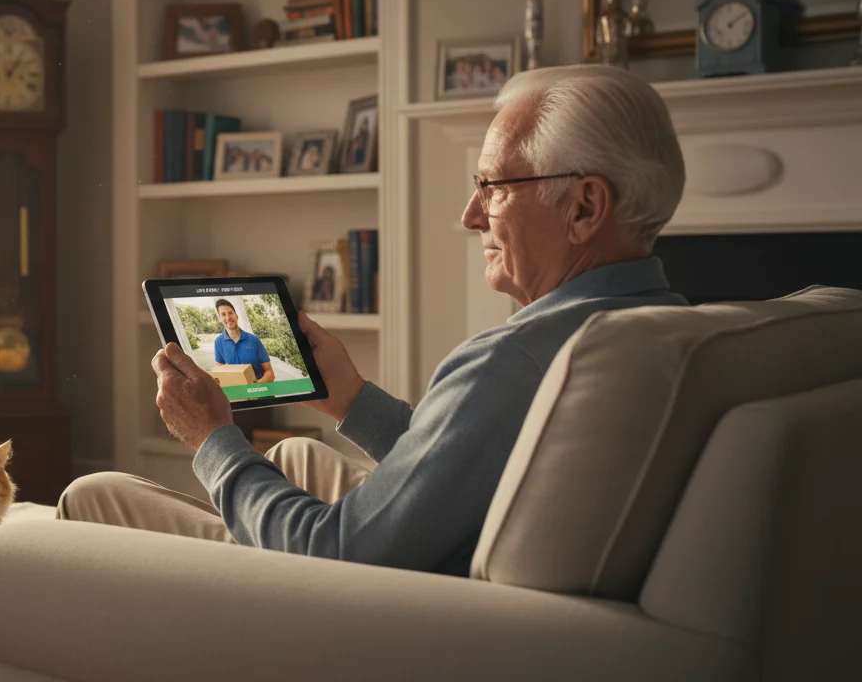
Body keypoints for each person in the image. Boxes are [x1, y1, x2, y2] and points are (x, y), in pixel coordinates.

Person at [59, 64, 687, 576]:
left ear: (585, 206)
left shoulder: (517, 358)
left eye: (494, 187)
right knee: (300, 454)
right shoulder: (671, 326)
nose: (471, 216)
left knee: (93, 496)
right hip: (451, 574)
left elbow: (334, 553)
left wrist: (212, 439)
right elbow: (489, 462)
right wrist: (351, 399)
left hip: (378, 610)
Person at [208, 299, 274, 383]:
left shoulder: (254, 340)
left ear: (236, 315)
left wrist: (256, 387)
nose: (228, 317)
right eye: (223, 314)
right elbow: (220, 370)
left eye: (231, 313)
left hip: (261, 390)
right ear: (220, 318)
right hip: (239, 393)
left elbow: (270, 373)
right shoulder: (218, 342)